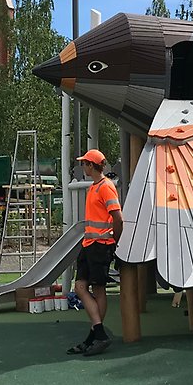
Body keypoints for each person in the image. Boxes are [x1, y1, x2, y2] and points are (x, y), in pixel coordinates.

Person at [68, 148, 123, 357]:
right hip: (89, 243)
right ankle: (97, 333)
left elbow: (118, 217)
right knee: (80, 287)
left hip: (100, 245)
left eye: (85, 163)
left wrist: (114, 241)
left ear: (91, 165)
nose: (83, 166)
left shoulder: (106, 187)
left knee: (98, 289)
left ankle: (96, 336)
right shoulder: (94, 187)